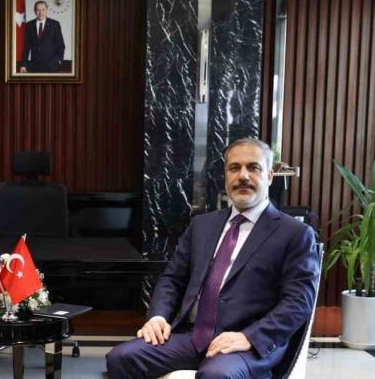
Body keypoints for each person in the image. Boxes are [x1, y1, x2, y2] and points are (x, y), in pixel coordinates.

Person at [106, 138, 319, 379]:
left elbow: (299, 301)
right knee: (121, 358)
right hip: (193, 336)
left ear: (269, 176)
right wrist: (158, 317)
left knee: (215, 375)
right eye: (234, 168)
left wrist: (249, 337)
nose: (243, 176)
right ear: (226, 176)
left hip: (246, 344)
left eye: (253, 167)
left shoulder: (295, 233)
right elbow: (172, 278)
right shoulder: (202, 225)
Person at [20, 0, 65, 73]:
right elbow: (26, 47)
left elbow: (60, 45)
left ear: (46, 10)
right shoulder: (29, 25)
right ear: (35, 11)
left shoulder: (54, 24)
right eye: (38, 10)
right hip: (34, 66)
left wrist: (59, 60)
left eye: (43, 9)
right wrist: (23, 64)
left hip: (52, 66)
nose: (40, 13)